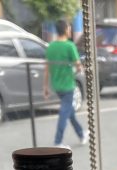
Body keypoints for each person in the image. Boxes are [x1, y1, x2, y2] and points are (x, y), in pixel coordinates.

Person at [44, 20, 87, 148]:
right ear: (65, 30)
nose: (70, 30)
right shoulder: (69, 46)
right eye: (69, 28)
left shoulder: (51, 47)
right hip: (68, 85)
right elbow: (78, 65)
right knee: (64, 112)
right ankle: (58, 141)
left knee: (70, 111)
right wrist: (78, 69)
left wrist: (45, 87)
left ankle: (81, 134)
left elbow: (46, 69)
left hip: (56, 85)